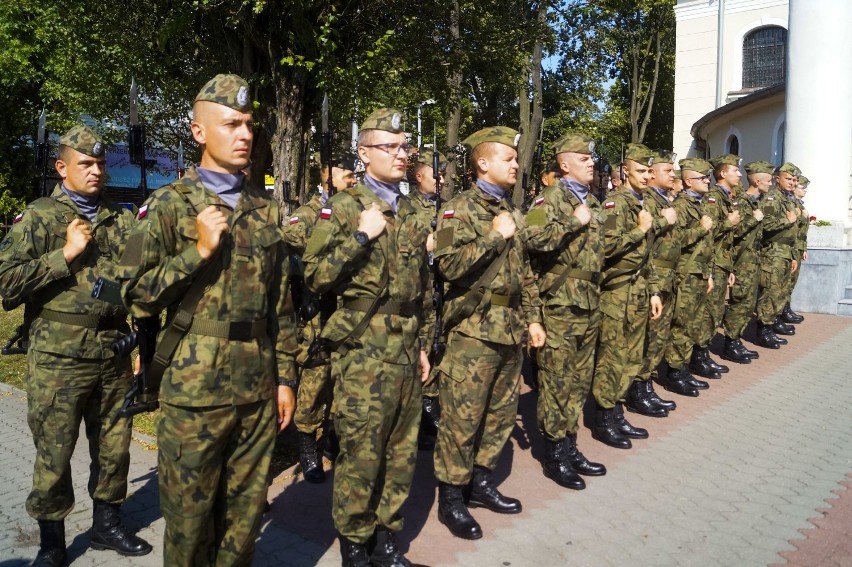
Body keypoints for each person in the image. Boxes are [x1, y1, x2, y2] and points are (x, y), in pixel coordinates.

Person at [117, 74, 298, 566]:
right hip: (195, 392)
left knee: (243, 526)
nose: (244, 135)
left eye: (248, 125)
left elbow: (280, 304)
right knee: (189, 528)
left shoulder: (266, 210)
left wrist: (285, 377)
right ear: (198, 132)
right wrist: (196, 252)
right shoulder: (170, 205)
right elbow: (132, 295)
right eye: (230, 124)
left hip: (258, 388)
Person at [0, 125, 152, 566]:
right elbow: (5, 279)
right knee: (54, 449)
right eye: (86, 163)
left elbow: (135, 283)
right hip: (57, 357)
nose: (97, 170)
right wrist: (62, 256)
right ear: (62, 167)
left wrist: (143, 336)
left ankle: (106, 525)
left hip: (113, 351)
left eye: (101, 163)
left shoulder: (119, 218)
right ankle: (52, 542)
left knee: (115, 446)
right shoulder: (41, 215)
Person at [304, 108, 431, 567]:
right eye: (390, 147)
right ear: (363, 154)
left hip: (405, 345)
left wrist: (422, 344)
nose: (402, 155)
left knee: (401, 450)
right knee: (361, 451)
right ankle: (355, 546)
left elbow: (423, 288)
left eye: (405, 147)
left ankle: (387, 540)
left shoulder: (415, 208)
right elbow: (314, 277)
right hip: (361, 351)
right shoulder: (343, 208)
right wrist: (360, 236)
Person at [432, 126, 545, 539]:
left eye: (515, 159)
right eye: (508, 159)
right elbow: (446, 266)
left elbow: (526, 274)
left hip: (510, 330)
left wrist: (532, 317)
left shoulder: (515, 211)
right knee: (463, 419)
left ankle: (481, 484)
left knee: (498, 418)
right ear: (483, 163)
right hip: (473, 334)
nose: (516, 164)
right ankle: (452, 498)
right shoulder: (454, 210)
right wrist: (495, 236)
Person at [525, 131, 606, 490]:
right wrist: (575, 221)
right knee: (557, 381)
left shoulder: (595, 200)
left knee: (579, 381)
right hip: (559, 305)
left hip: (589, 302)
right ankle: (555, 453)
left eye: (591, 158)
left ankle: (570, 445)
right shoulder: (546, 200)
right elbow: (531, 238)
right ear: (564, 164)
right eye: (584, 158)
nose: (591, 163)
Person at [282, 153, 357, 483]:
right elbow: (291, 241)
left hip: (346, 312)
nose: (352, 179)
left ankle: (334, 441)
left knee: (342, 379)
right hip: (317, 313)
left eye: (355, 174)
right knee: (314, 380)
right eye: (346, 173)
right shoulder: (309, 213)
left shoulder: (354, 211)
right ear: (326, 174)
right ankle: (307, 446)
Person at [590, 143, 661, 449]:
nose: (646, 176)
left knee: (632, 355)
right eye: (641, 171)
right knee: (612, 357)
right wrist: (638, 230)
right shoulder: (614, 205)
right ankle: (605, 418)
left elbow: (649, 255)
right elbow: (605, 247)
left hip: (639, 289)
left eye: (649, 171)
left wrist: (654, 290)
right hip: (617, 292)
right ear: (626, 172)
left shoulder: (642, 203)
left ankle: (618, 411)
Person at [625, 149, 679, 418]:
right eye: (667, 171)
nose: (673, 175)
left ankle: (644, 387)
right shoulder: (644, 201)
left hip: (662, 278)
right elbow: (642, 241)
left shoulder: (663, 199)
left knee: (656, 337)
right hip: (648, 279)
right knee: (646, 339)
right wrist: (661, 221)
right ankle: (638, 389)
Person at [661, 159, 715, 397]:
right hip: (686, 273)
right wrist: (701, 229)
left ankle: (683, 367)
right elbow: (677, 241)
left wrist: (710, 273)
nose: (708, 181)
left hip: (700, 272)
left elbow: (707, 246)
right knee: (682, 322)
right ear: (689, 181)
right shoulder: (682, 206)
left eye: (708, 178)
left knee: (694, 321)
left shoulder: (700, 204)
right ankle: (675, 371)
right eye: (703, 178)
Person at [405, 149, 446, 451]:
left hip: (442, 289)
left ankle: (430, 410)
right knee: (420, 348)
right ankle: (416, 415)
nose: (441, 179)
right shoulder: (407, 207)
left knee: (437, 349)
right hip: (419, 290)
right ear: (420, 176)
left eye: (443, 174)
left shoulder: (448, 207)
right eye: (436, 174)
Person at [721, 162, 769, 361]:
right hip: (742, 261)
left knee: (748, 303)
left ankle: (736, 340)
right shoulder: (741, 201)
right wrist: (754, 220)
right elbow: (734, 232)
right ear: (757, 181)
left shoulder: (758, 202)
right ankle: (730, 343)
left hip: (753, 259)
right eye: (768, 180)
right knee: (739, 302)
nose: (771, 183)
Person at [754, 162, 801, 348]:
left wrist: (794, 255)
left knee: (780, 292)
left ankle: (772, 324)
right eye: (788, 179)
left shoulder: (788, 199)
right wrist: (787, 219)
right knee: (770, 292)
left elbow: (794, 232)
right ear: (777, 179)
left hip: (785, 252)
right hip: (773, 252)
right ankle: (763, 330)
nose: (792, 183)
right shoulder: (772, 198)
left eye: (795, 180)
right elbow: (765, 224)